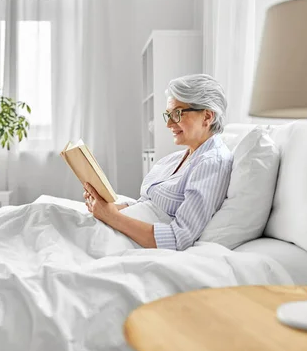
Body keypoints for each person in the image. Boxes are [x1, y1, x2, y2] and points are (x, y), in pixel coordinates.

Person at [83, 74, 233, 251]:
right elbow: (146, 204)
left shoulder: (211, 163)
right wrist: (108, 207)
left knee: (49, 218)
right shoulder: (176, 158)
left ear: (207, 117)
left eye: (177, 114)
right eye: (168, 115)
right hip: (120, 228)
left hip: (127, 239)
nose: (169, 124)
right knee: (48, 213)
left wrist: (112, 217)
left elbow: (179, 238)